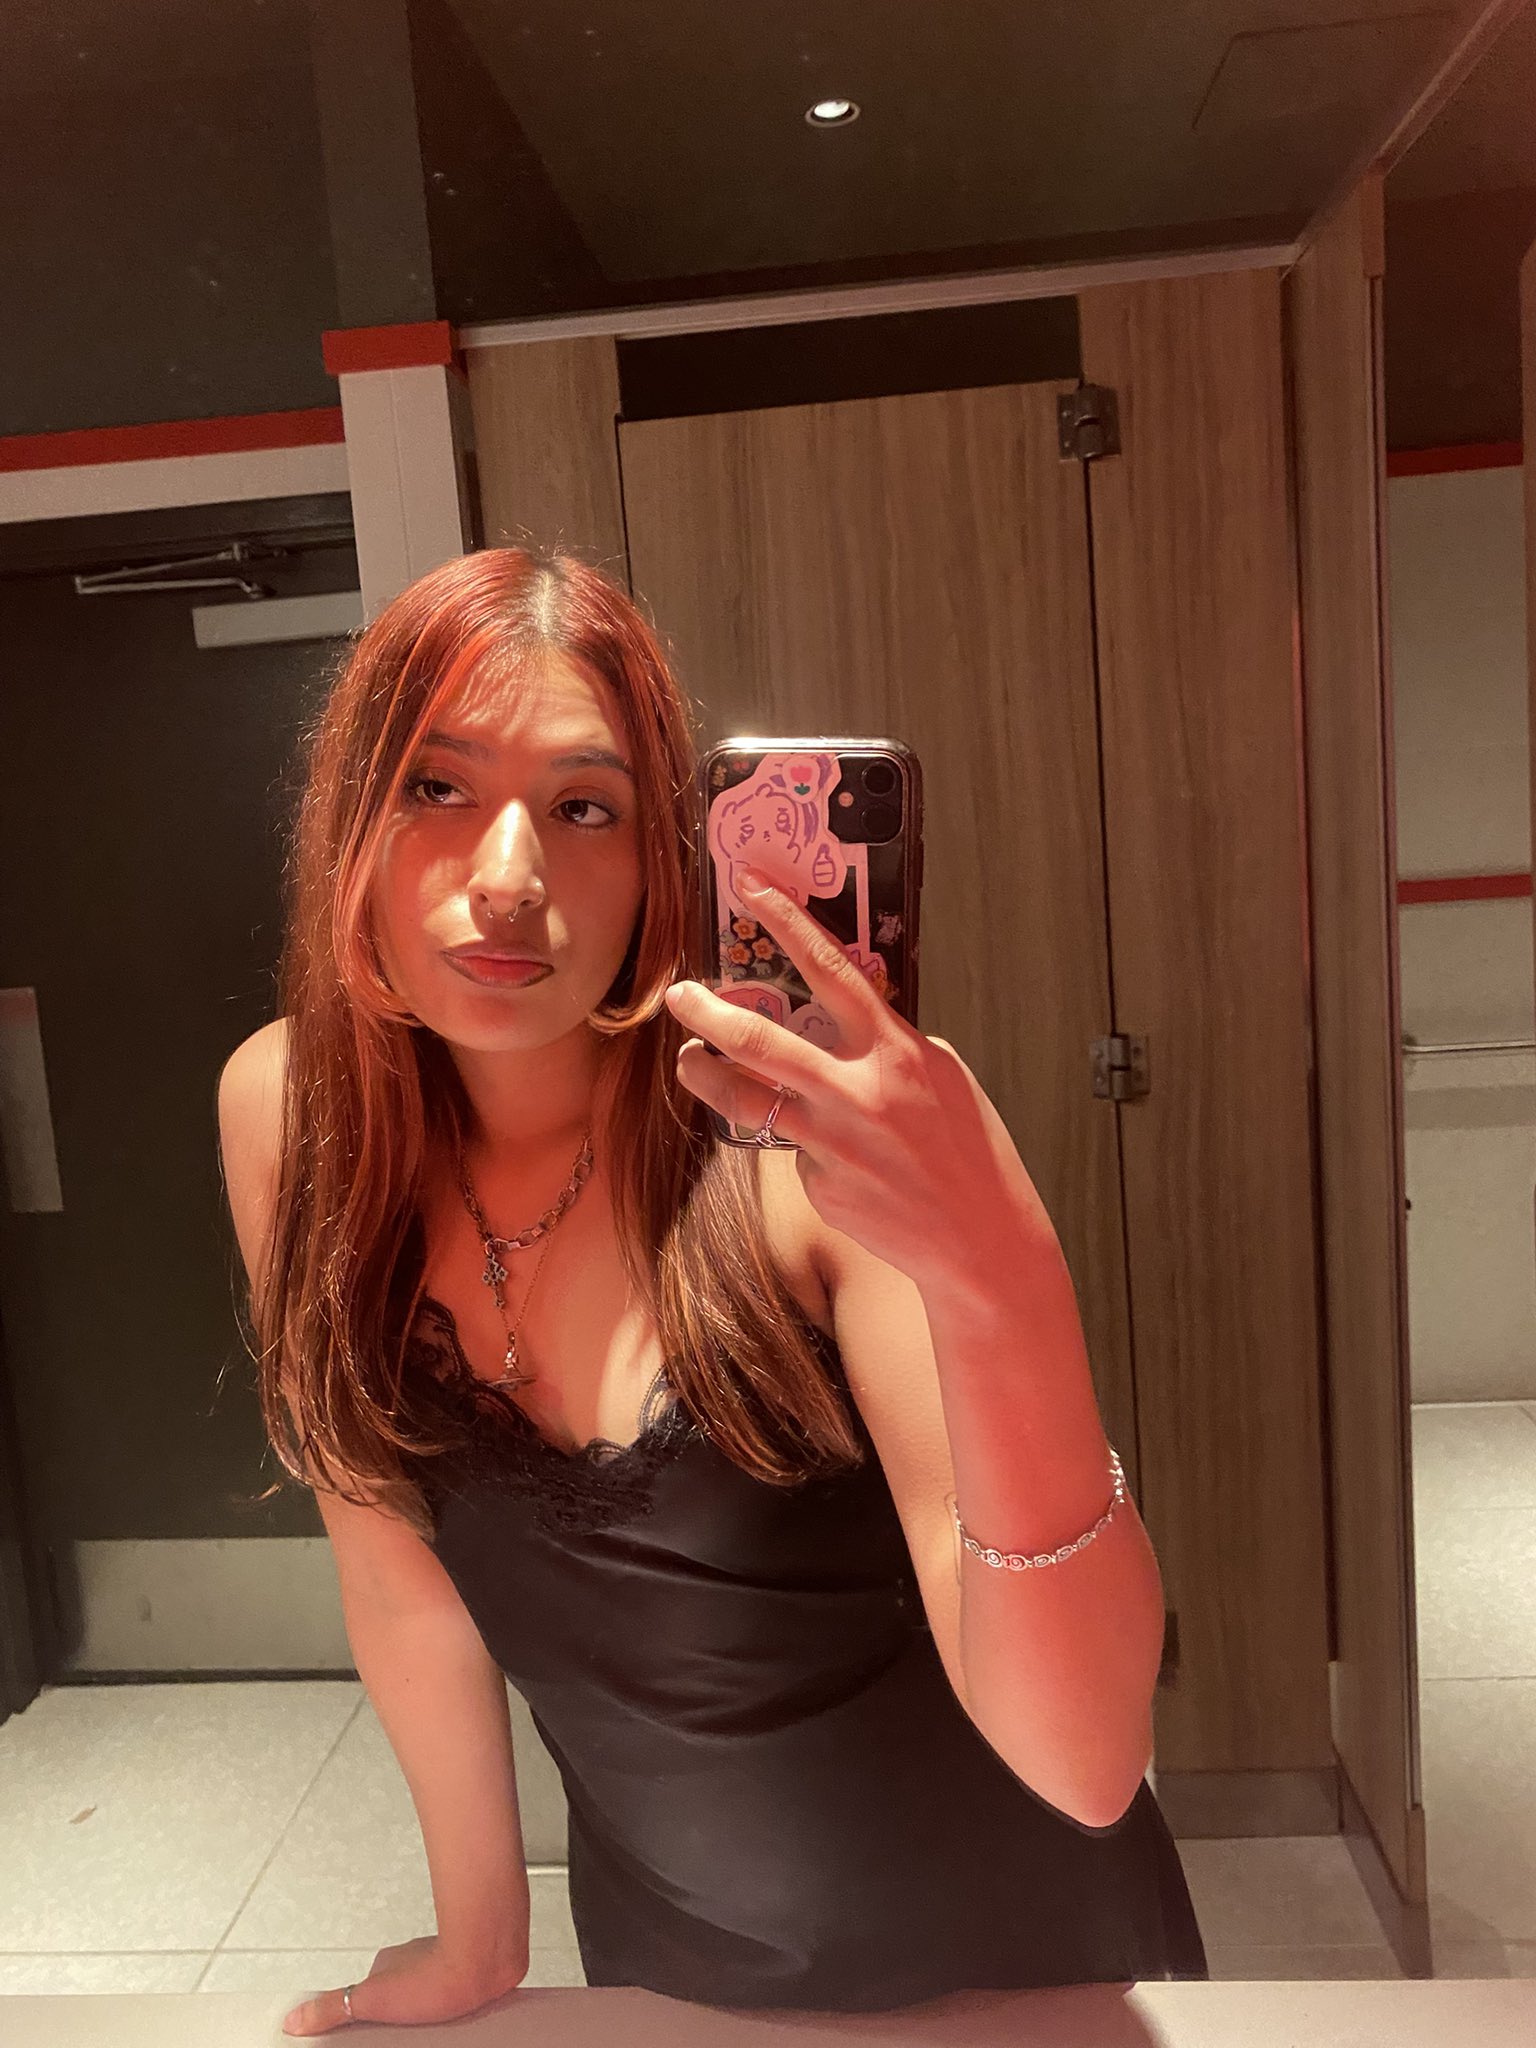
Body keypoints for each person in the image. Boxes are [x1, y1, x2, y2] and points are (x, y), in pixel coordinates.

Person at [217, 547, 1207, 2037]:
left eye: (585, 807)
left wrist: (1000, 1275)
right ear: (350, 817)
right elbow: (394, 1573)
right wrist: (480, 1941)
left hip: (1026, 1974)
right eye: (436, 786)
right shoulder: (294, 1118)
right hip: (674, 1971)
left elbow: (1082, 1760)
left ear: (664, 863)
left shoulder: (803, 1146)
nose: (507, 875)